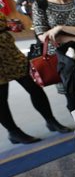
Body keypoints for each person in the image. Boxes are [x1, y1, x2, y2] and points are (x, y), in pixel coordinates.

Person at [0, 12, 71, 144]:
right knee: (1, 97)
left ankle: (51, 121)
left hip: (9, 53)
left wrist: (9, 25)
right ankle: (13, 132)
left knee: (33, 86)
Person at [31, 0, 75, 112]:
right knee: (73, 100)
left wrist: (60, 28)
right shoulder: (40, 5)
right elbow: (43, 36)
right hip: (61, 59)